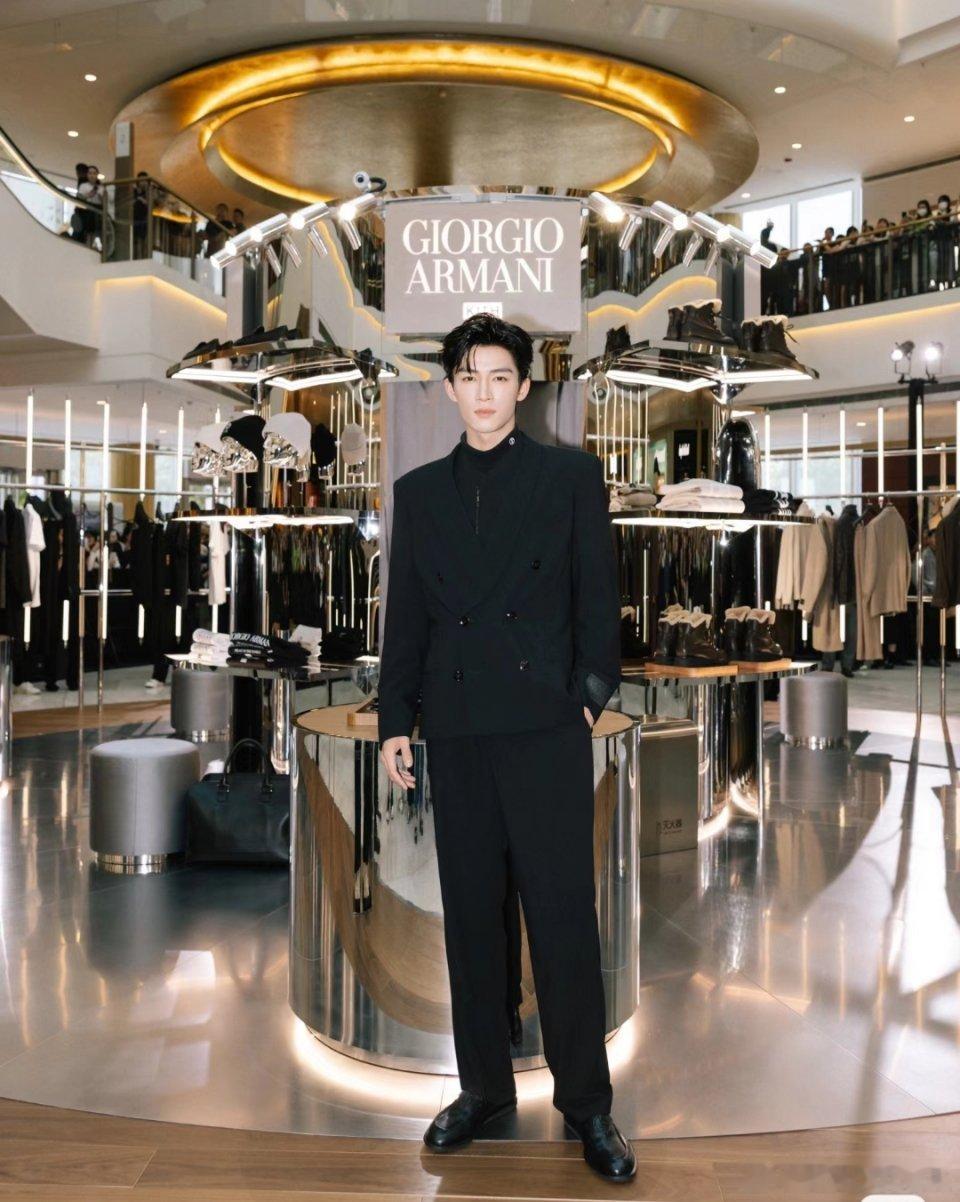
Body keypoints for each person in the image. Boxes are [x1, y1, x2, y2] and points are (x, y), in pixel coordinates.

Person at [377, 313, 634, 1181]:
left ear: (525, 386)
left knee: (563, 921)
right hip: (458, 730)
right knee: (473, 922)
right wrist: (395, 720)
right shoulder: (419, 493)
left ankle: (587, 1103)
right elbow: (406, 619)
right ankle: (483, 1087)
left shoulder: (570, 477)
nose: (484, 392)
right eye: (469, 376)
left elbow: (598, 600)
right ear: (449, 388)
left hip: (545, 729)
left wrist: (588, 698)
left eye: (499, 376)